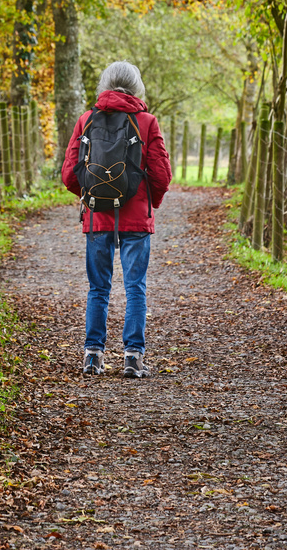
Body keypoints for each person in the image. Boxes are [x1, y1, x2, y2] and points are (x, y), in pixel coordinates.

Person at [61, 61, 172, 378]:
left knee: (98, 288)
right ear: (137, 87)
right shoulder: (147, 122)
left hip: (98, 217)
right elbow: (162, 175)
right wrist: (150, 202)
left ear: (104, 85)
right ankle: (133, 358)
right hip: (137, 217)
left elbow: (70, 174)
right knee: (135, 287)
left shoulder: (86, 120)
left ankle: (93, 357)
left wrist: (90, 198)